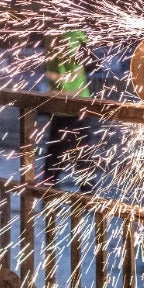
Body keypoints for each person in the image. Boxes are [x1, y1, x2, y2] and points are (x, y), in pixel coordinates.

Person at [41, 27, 93, 183]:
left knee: (53, 161)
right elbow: (91, 64)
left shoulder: (50, 36)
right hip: (77, 106)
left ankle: (47, 198)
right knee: (82, 161)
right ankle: (87, 200)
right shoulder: (76, 37)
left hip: (56, 106)